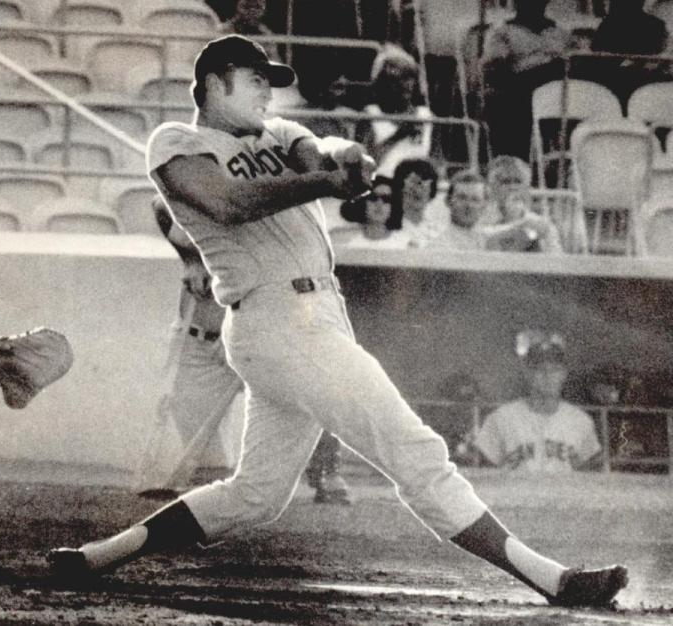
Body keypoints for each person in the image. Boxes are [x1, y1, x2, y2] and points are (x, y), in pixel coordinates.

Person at [48, 34, 628, 608]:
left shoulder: (278, 133)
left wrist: (348, 162)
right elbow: (226, 202)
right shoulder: (176, 140)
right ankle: (554, 579)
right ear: (213, 85)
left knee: (256, 495)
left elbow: (321, 155)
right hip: (274, 318)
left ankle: (100, 555)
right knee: (419, 454)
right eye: (254, 83)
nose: (266, 95)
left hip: (312, 317)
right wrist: (325, 181)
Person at [147, 197, 353, 504]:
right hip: (202, 336)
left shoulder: (271, 204)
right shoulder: (194, 188)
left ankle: (326, 472)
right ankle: (209, 491)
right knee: (194, 454)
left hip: (261, 326)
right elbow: (160, 205)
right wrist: (191, 259)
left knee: (313, 388)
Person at [472, 331, 602, 472]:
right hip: (515, 493)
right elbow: (483, 476)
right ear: (527, 374)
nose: (547, 376)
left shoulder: (581, 421)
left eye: (554, 370)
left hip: (563, 493)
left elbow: (593, 480)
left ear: (563, 374)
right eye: (540, 370)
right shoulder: (500, 418)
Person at [481, 0, 571, 160]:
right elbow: (495, 71)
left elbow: (574, 61)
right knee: (508, 99)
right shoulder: (503, 32)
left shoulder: (560, 34)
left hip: (559, 92)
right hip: (520, 87)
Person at [356, 45, 433, 179]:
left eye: (409, 77)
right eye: (395, 79)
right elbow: (363, 165)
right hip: (379, 188)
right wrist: (398, 136)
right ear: (381, 82)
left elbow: (437, 163)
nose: (404, 84)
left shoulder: (426, 116)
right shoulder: (370, 114)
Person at [480, 155, 563, 253]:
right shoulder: (479, 220)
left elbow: (555, 259)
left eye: (518, 182)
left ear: (526, 187)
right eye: (506, 182)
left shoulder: (542, 225)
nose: (513, 187)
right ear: (491, 188)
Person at [333, 176, 412, 249]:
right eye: (373, 198)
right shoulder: (340, 239)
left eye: (386, 199)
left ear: (394, 206)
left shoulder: (405, 244)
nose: (379, 204)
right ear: (362, 203)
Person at [426, 170, 490, 251]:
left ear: (484, 205)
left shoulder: (492, 244)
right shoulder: (436, 246)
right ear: (448, 201)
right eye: (462, 198)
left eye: (475, 199)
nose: (468, 205)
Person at [390, 158, 444, 247]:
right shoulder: (387, 229)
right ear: (400, 188)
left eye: (423, 187)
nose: (418, 191)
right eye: (413, 185)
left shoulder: (439, 232)